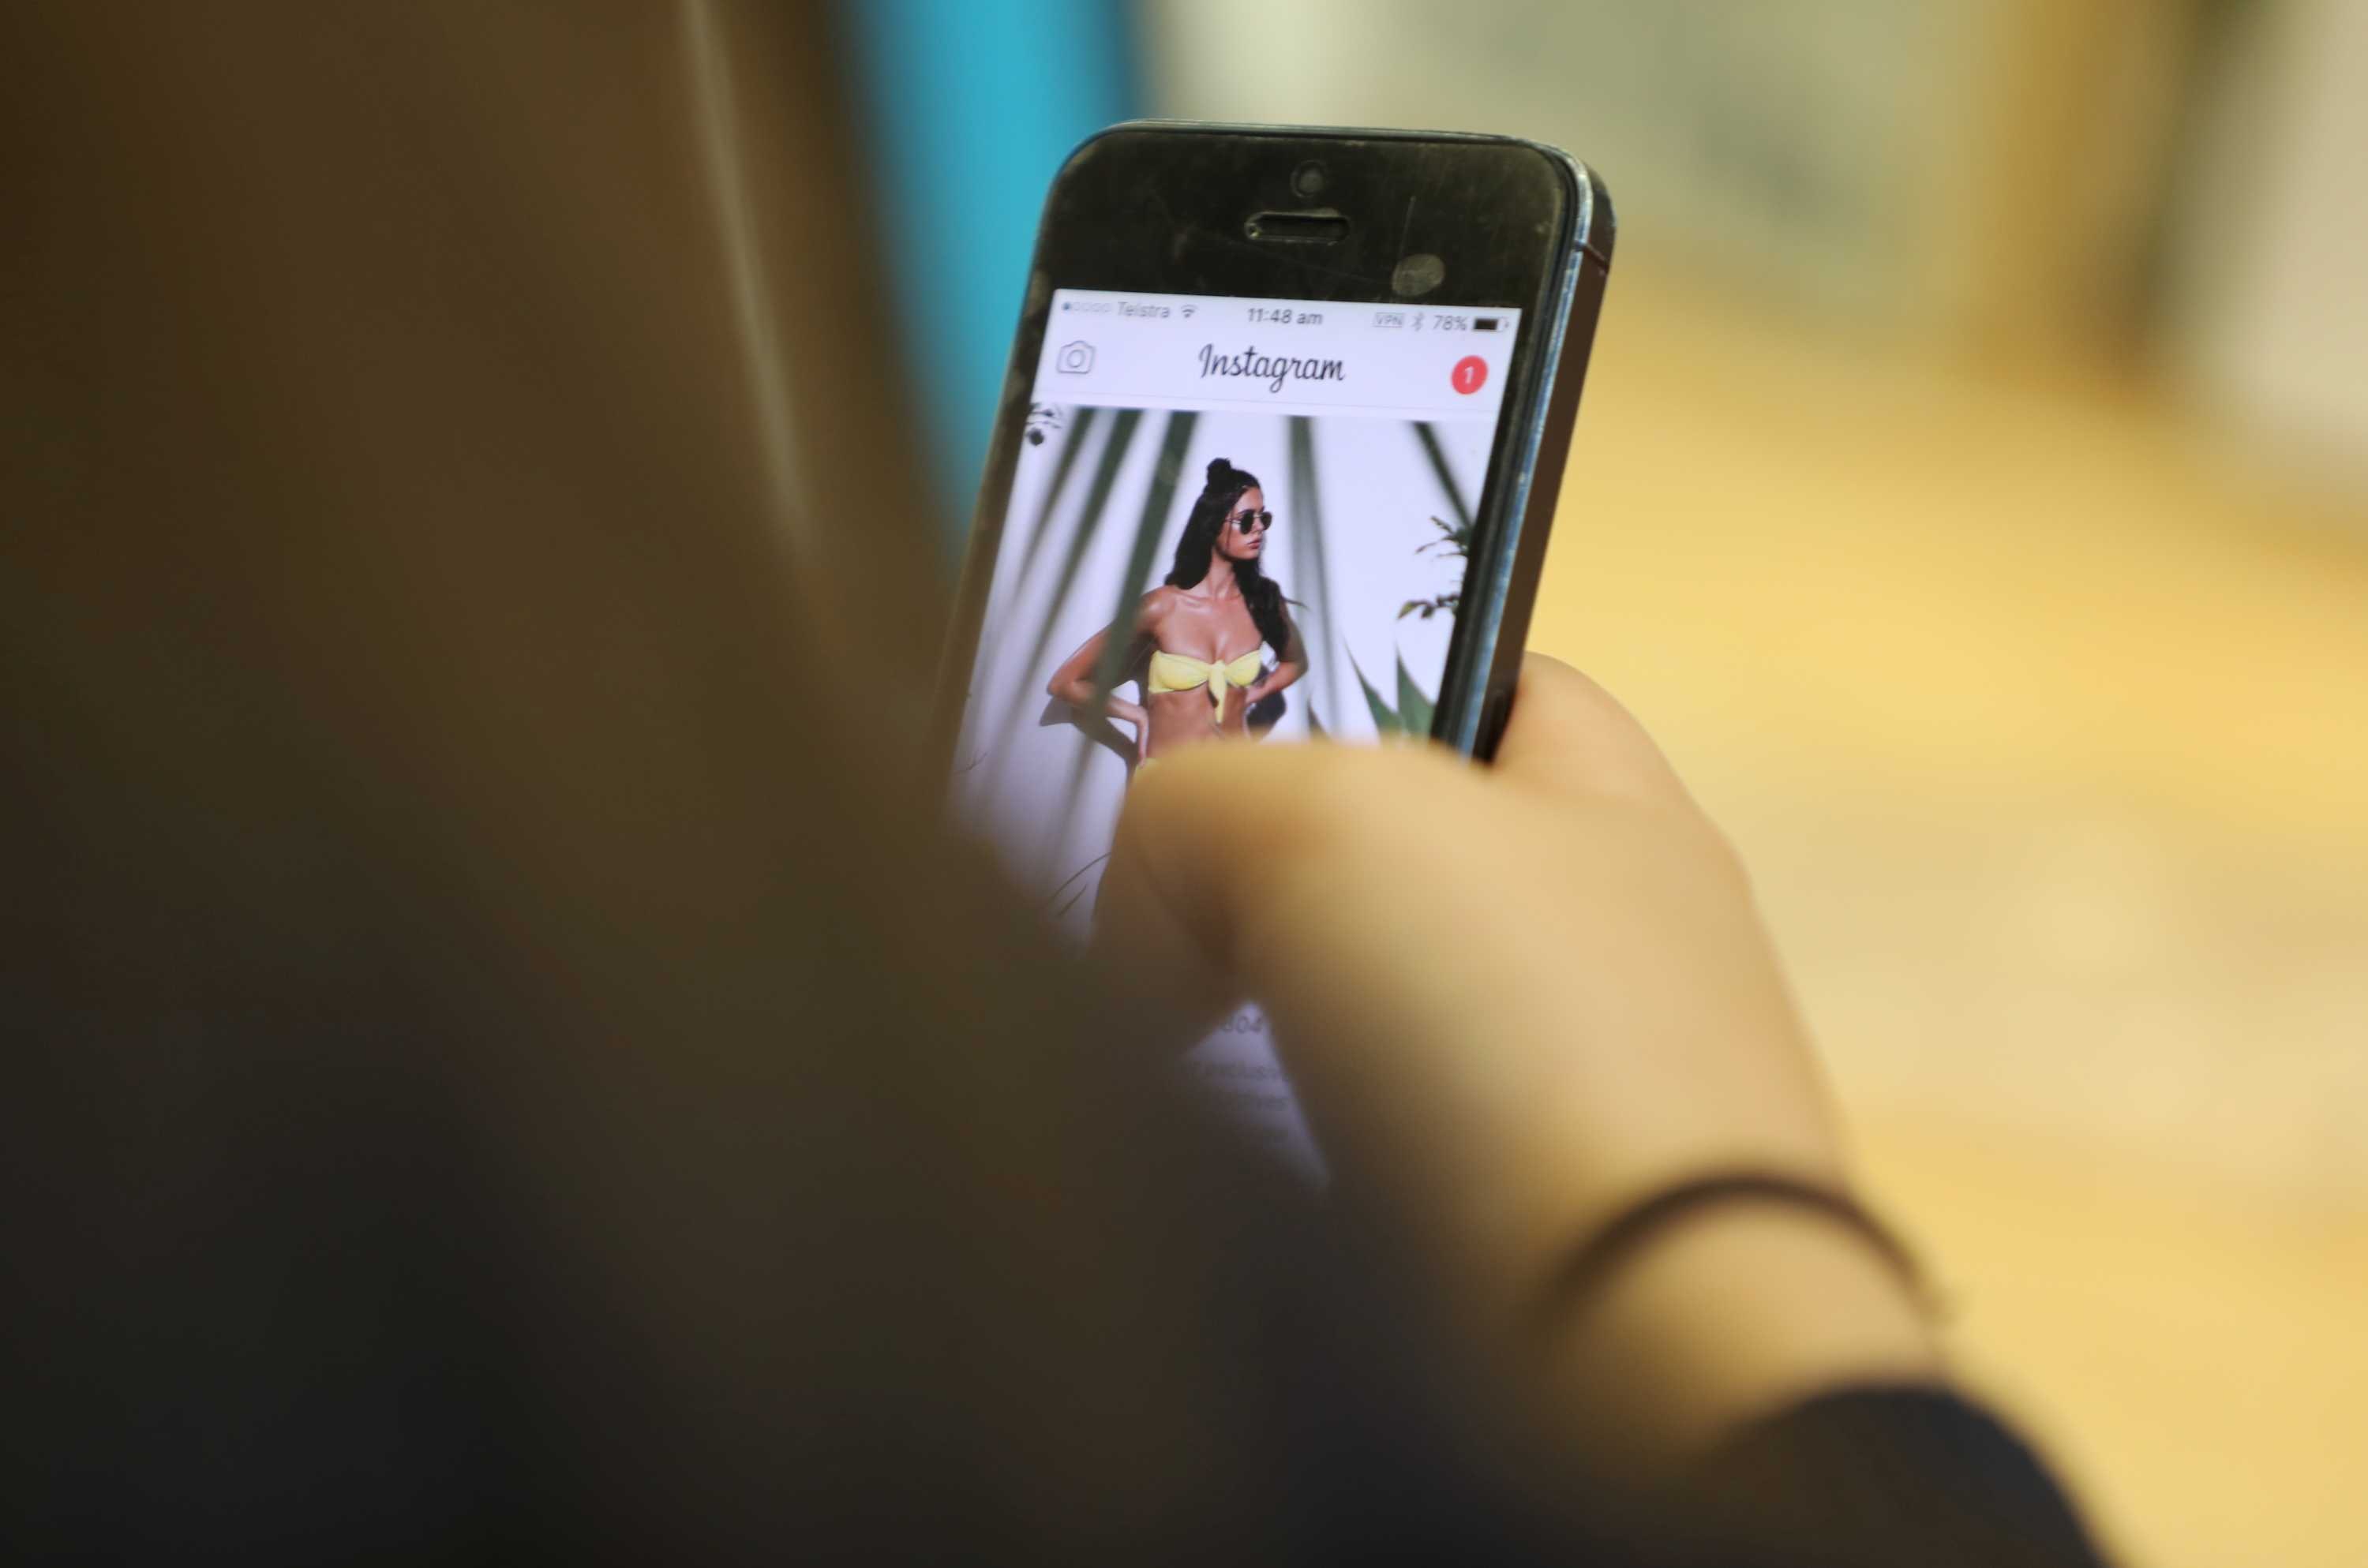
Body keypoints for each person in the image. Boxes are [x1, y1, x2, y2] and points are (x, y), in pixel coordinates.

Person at [2, 5, 2109, 1564]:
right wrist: (1705, 1208)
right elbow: (1124, 677)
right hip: (1150, 953)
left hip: (1161, 915)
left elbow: (1200, 670)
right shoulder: (829, 1317)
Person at [1047, 458, 1308, 767]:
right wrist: (1137, 715)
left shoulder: (1262, 602)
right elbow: (1065, 683)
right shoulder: (1161, 607)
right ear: (1213, 525)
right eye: (1247, 519)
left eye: (1264, 518)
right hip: (1166, 784)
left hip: (1236, 780)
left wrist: (1248, 695)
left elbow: (1295, 662)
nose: (1259, 529)